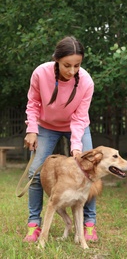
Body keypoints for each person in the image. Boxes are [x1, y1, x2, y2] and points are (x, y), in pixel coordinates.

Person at [23, 36, 98, 243]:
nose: (72, 71)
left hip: (78, 126)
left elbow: (80, 117)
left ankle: (89, 224)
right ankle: (33, 225)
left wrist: (76, 148)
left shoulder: (86, 81)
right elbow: (33, 103)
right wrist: (32, 129)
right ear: (56, 59)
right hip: (46, 127)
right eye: (67, 65)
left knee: (89, 172)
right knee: (34, 172)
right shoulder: (40, 73)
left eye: (77, 65)